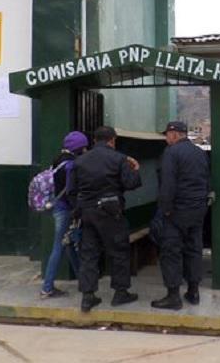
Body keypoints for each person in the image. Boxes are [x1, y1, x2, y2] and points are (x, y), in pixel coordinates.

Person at [69, 126, 142, 313]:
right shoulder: (119, 159)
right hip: (111, 212)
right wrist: (135, 169)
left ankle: (88, 296)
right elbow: (131, 184)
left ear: (94, 140)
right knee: (119, 251)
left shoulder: (80, 161)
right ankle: (120, 292)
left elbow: (72, 190)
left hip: (87, 212)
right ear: (112, 140)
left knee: (89, 253)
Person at [151, 121, 210, 310]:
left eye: (167, 134)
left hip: (177, 211)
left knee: (171, 252)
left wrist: (166, 208)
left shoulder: (171, 153)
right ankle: (193, 292)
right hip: (197, 210)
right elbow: (205, 180)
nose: (166, 138)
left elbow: (167, 183)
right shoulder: (199, 152)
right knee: (194, 249)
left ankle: (173, 296)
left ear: (175, 134)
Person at [40, 131, 88, 298]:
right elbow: (70, 190)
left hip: (57, 206)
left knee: (69, 242)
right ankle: (47, 287)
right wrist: (76, 209)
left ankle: (83, 280)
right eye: (84, 147)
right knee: (59, 245)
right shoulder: (70, 165)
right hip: (64, 208)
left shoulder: (57, 160)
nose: (85, 150)